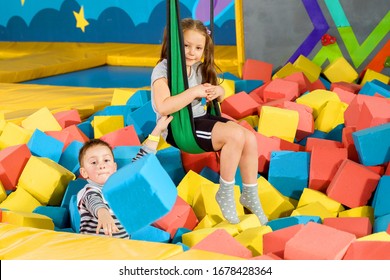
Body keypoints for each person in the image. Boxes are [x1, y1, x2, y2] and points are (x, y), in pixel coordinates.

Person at [151, 18, 268, 225]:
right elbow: (163, 106)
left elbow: (216, 94)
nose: (191, 52)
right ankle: (225, 191)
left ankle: (249, 192)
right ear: (174, 44)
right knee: (235, 135)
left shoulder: (197, 67)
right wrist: (193, 91)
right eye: (185, 46)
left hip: (200, 119)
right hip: (179, 128)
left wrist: (218, 91)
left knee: (248, 137)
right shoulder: (163, 70)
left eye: (198, 48)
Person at [76, 115, 173, 238]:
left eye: (106, 160)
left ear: (115, 167)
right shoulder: (88, 191)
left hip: (120, 248)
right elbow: (94, 202)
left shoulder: (121, 186)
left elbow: (142, 161)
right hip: (95, 249)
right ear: (84, 172)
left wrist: (157, 130)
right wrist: (103, 213)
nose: (101, 165)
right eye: (94, 162)